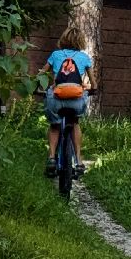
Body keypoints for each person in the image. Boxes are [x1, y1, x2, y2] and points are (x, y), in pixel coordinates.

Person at [43, 23, 95, 177]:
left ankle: (52, 158)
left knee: (54, 126)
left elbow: (42, 73)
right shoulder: (84, 57)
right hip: (76, 101)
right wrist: (93, 89)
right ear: (81, 41)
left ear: (63, 39)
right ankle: (78, 161)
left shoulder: (55, 55)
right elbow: (93, 82)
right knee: (75, 123)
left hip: (56, 100)